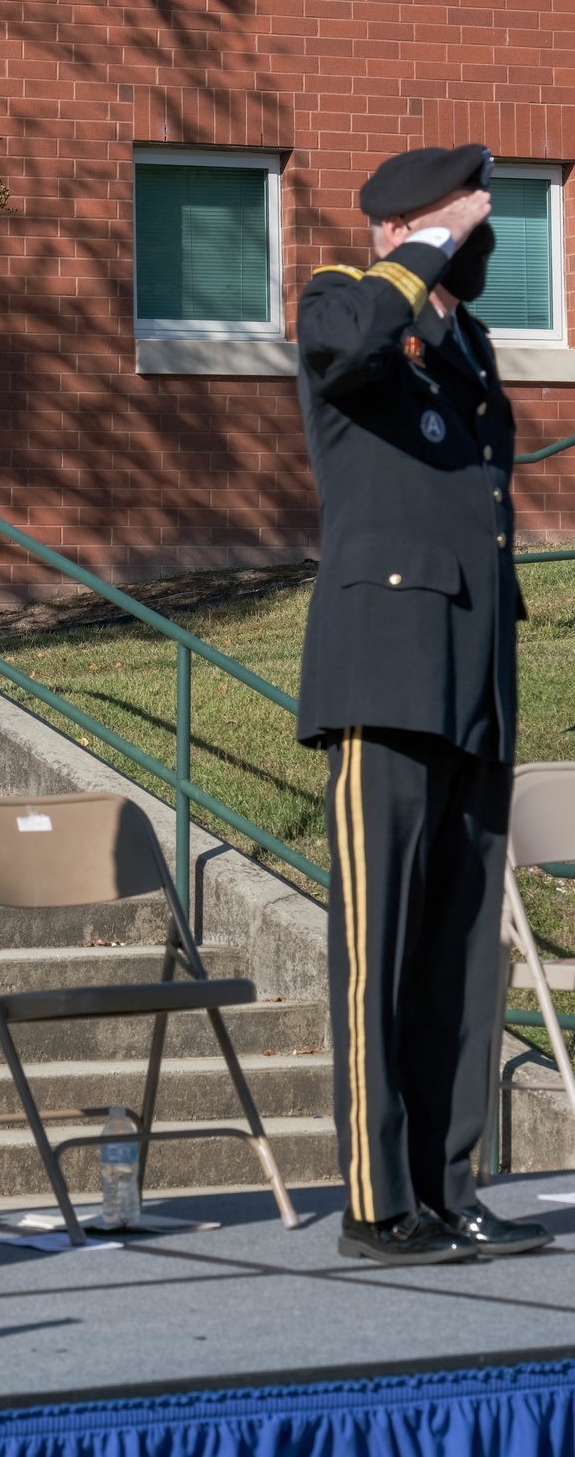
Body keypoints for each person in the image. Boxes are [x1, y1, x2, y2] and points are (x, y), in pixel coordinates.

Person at [296, 143, 552, 1265]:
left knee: (460, 954)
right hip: (383, 674)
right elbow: (347, 355)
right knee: (380, 949)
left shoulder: (468, 344)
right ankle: (374, 1200)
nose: (483, 238)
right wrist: (424, 249)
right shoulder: (347, 302)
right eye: (466, 219)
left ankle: (450, 1187)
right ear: (408, 224)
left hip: (471, 680)